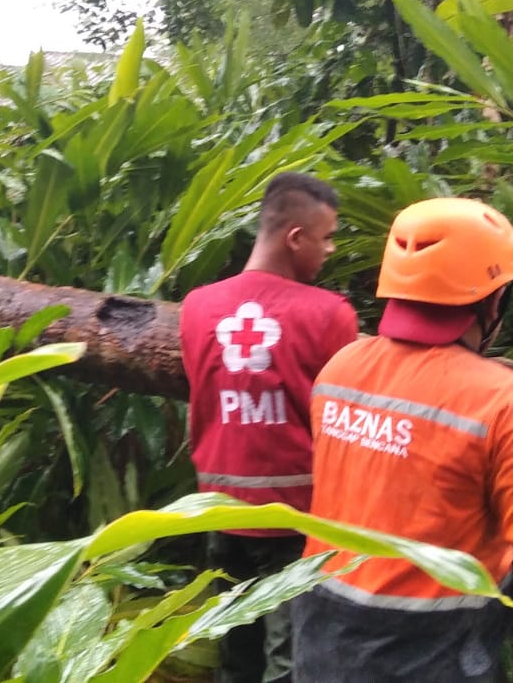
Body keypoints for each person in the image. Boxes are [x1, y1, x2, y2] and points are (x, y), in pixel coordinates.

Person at [292, 197, 513, 682]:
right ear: (493, 301)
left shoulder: (340, 369)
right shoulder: (503, 401)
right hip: (431, 652)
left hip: (320, 633)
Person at [179, 172, 360, 683]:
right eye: (325, 237)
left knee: (234, 653)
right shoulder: (330, 316)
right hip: (299, 521)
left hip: (218, 511)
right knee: (290, 663)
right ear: (295, 237)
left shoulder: (197, 307)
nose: (330, 249)